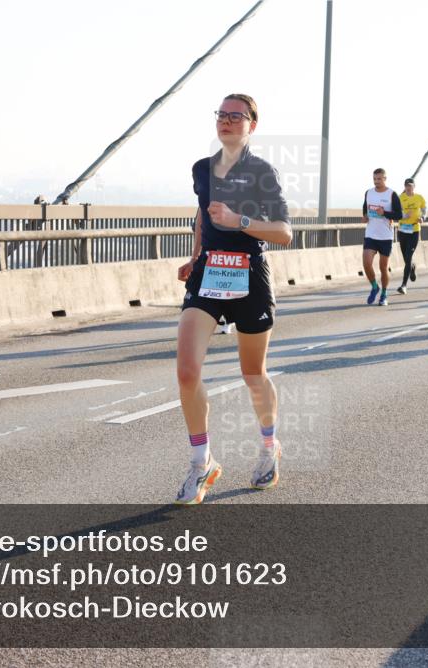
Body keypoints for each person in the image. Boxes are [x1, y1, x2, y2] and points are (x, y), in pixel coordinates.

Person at [176, 94, 292, 505]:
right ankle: (201, 462)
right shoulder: (201, 169)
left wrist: (239, 221)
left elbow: (283, 232)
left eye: (235, 116)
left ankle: (269, 446)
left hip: (250, 275)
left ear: (251, 125)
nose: (226, 121)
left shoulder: (262, 172)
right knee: (187, 371)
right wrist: (195, 256)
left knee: (252, 372)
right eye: (221, 115)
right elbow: (202, 215)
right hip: (209, 273)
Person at [361, 168, 403, 306]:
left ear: (385, 178)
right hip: (371, 234)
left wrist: (384, 213)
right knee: (366, 263)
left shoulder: (392, 194)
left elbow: (399, 215)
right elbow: (365, 209)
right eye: (374, 179)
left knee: (383, 268)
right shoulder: (368, 193)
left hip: (385, 236)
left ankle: (384, 294)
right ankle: (374, 286)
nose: (376, 181)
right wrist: (365, 217)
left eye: (379, 179)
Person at [396, 177, 425, 294]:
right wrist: (403, 215)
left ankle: (403, 285)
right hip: (402, 230)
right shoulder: (400, 198)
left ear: (414, 187)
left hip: (414, 230)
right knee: (406, 258)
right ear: (404, 187)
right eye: (407, 186)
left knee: (408, 257)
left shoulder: (419, 197)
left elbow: (424, 209)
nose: (408, 188)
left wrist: (423, 217)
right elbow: (396, 212)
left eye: (410, 186)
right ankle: (412, 267)